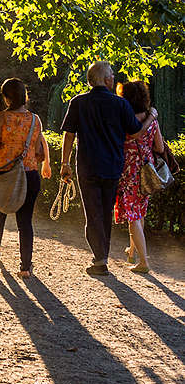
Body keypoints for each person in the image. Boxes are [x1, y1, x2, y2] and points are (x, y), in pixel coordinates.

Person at [60, 60, 156, 276]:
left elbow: (68, 134)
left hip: (87, 166)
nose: (114, 77)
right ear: (106, 79)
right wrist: (152, 116)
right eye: (111, 74)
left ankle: (100, 258)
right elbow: (136, 132)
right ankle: (100, 256)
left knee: (92, 213)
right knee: (104, 213)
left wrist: (64, 163)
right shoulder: (120, 105)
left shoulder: (78, 102)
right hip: (113, 167)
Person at [0, 78, 51, 278]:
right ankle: (25, 267)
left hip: (4, 174)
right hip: (30, 174)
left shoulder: (0, 118)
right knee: (25, 222)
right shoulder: (35, 119)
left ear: (6, 98)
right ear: (25, 96)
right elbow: (38, 150)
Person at [115, 80, 165, 274]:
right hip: (146, 172)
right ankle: (132, 252)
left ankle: (143, 261)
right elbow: (159, 148)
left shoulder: (123, 120)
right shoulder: (152, 121)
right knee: (139, 213)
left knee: (133, 216)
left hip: (128, 172)